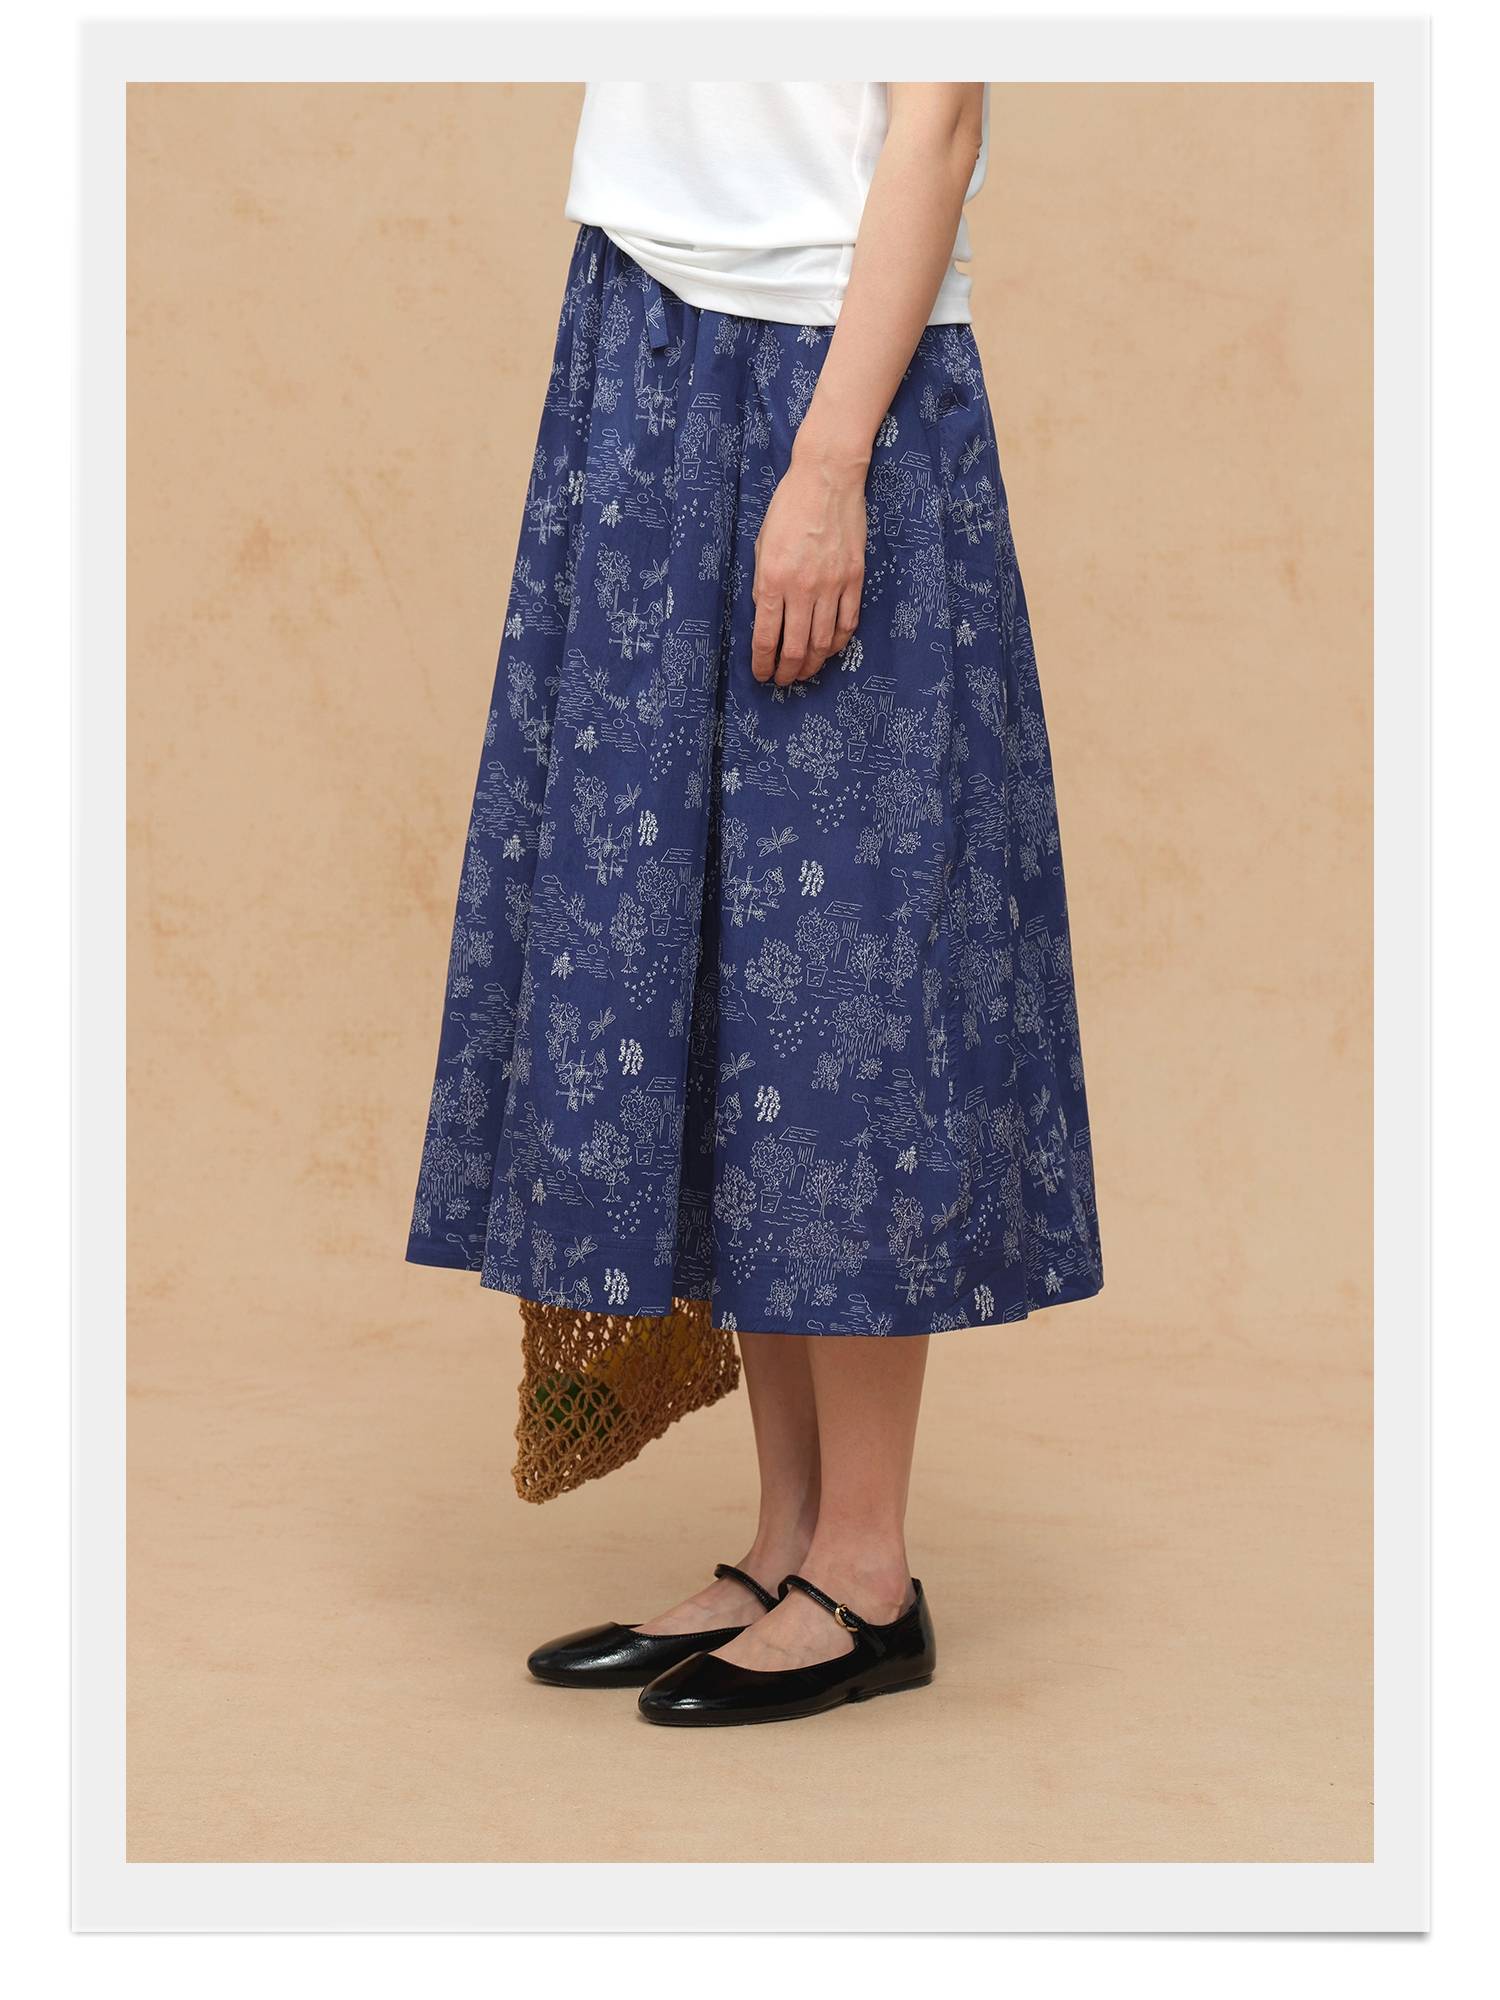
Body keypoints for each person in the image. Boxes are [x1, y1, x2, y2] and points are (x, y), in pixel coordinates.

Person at [406, 81, 1104, 1728]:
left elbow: (937, 124)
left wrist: (832, 461)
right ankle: (786, 1544)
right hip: (639, 329)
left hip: (830, 360)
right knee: (724, 957)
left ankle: (867, 1572)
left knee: (839, 986)